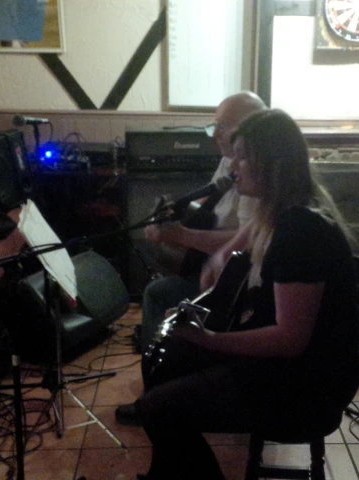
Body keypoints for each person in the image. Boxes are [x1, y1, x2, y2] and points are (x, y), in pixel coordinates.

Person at [134, 109, 359, 480]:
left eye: (241, 156)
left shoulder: (300, 230)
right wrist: (205, 293)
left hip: (306, 388)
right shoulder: (278, 209)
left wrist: (209, 338)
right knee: (166, 362)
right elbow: (228, 254)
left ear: (269, 162)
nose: (232, 165)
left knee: (158, 407)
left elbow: (290, 341)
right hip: (289, 370)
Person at [116, 91, 266, 426]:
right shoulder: (230, 160)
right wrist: (179, 212)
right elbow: (217, 209)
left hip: (241, 287)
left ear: (250, 131)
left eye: (222, 127)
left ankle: (161, 390)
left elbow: (254, 237)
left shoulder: (258, 173)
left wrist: (180, 235)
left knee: (159, 293)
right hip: (217, 268)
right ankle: (167, 382)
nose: (214, 135)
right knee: (166, 285)